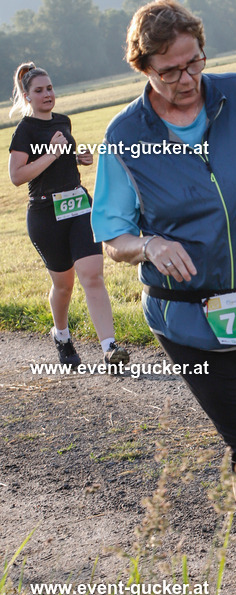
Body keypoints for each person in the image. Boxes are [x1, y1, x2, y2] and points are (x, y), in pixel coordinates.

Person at [91, 0, 236, 595]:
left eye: (194, 63)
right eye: (169, 71)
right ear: (143, 69)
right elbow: (113, 235)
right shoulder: (124, 136)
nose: (186, 80)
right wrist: (151, 244)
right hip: (187, 318)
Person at [8, 63, 130, 369]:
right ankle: (61, 336)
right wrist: (51, 154)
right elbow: (17, 176)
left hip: (78, 206)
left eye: (49, 88)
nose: (47, 94)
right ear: (27, 95)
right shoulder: (25, 130)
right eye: (39, 90)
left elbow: (60, 161)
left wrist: (77, 158)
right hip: (45, 214)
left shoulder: (63, 121)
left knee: (92, 275)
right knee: (64, 285)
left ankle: (110, 348)